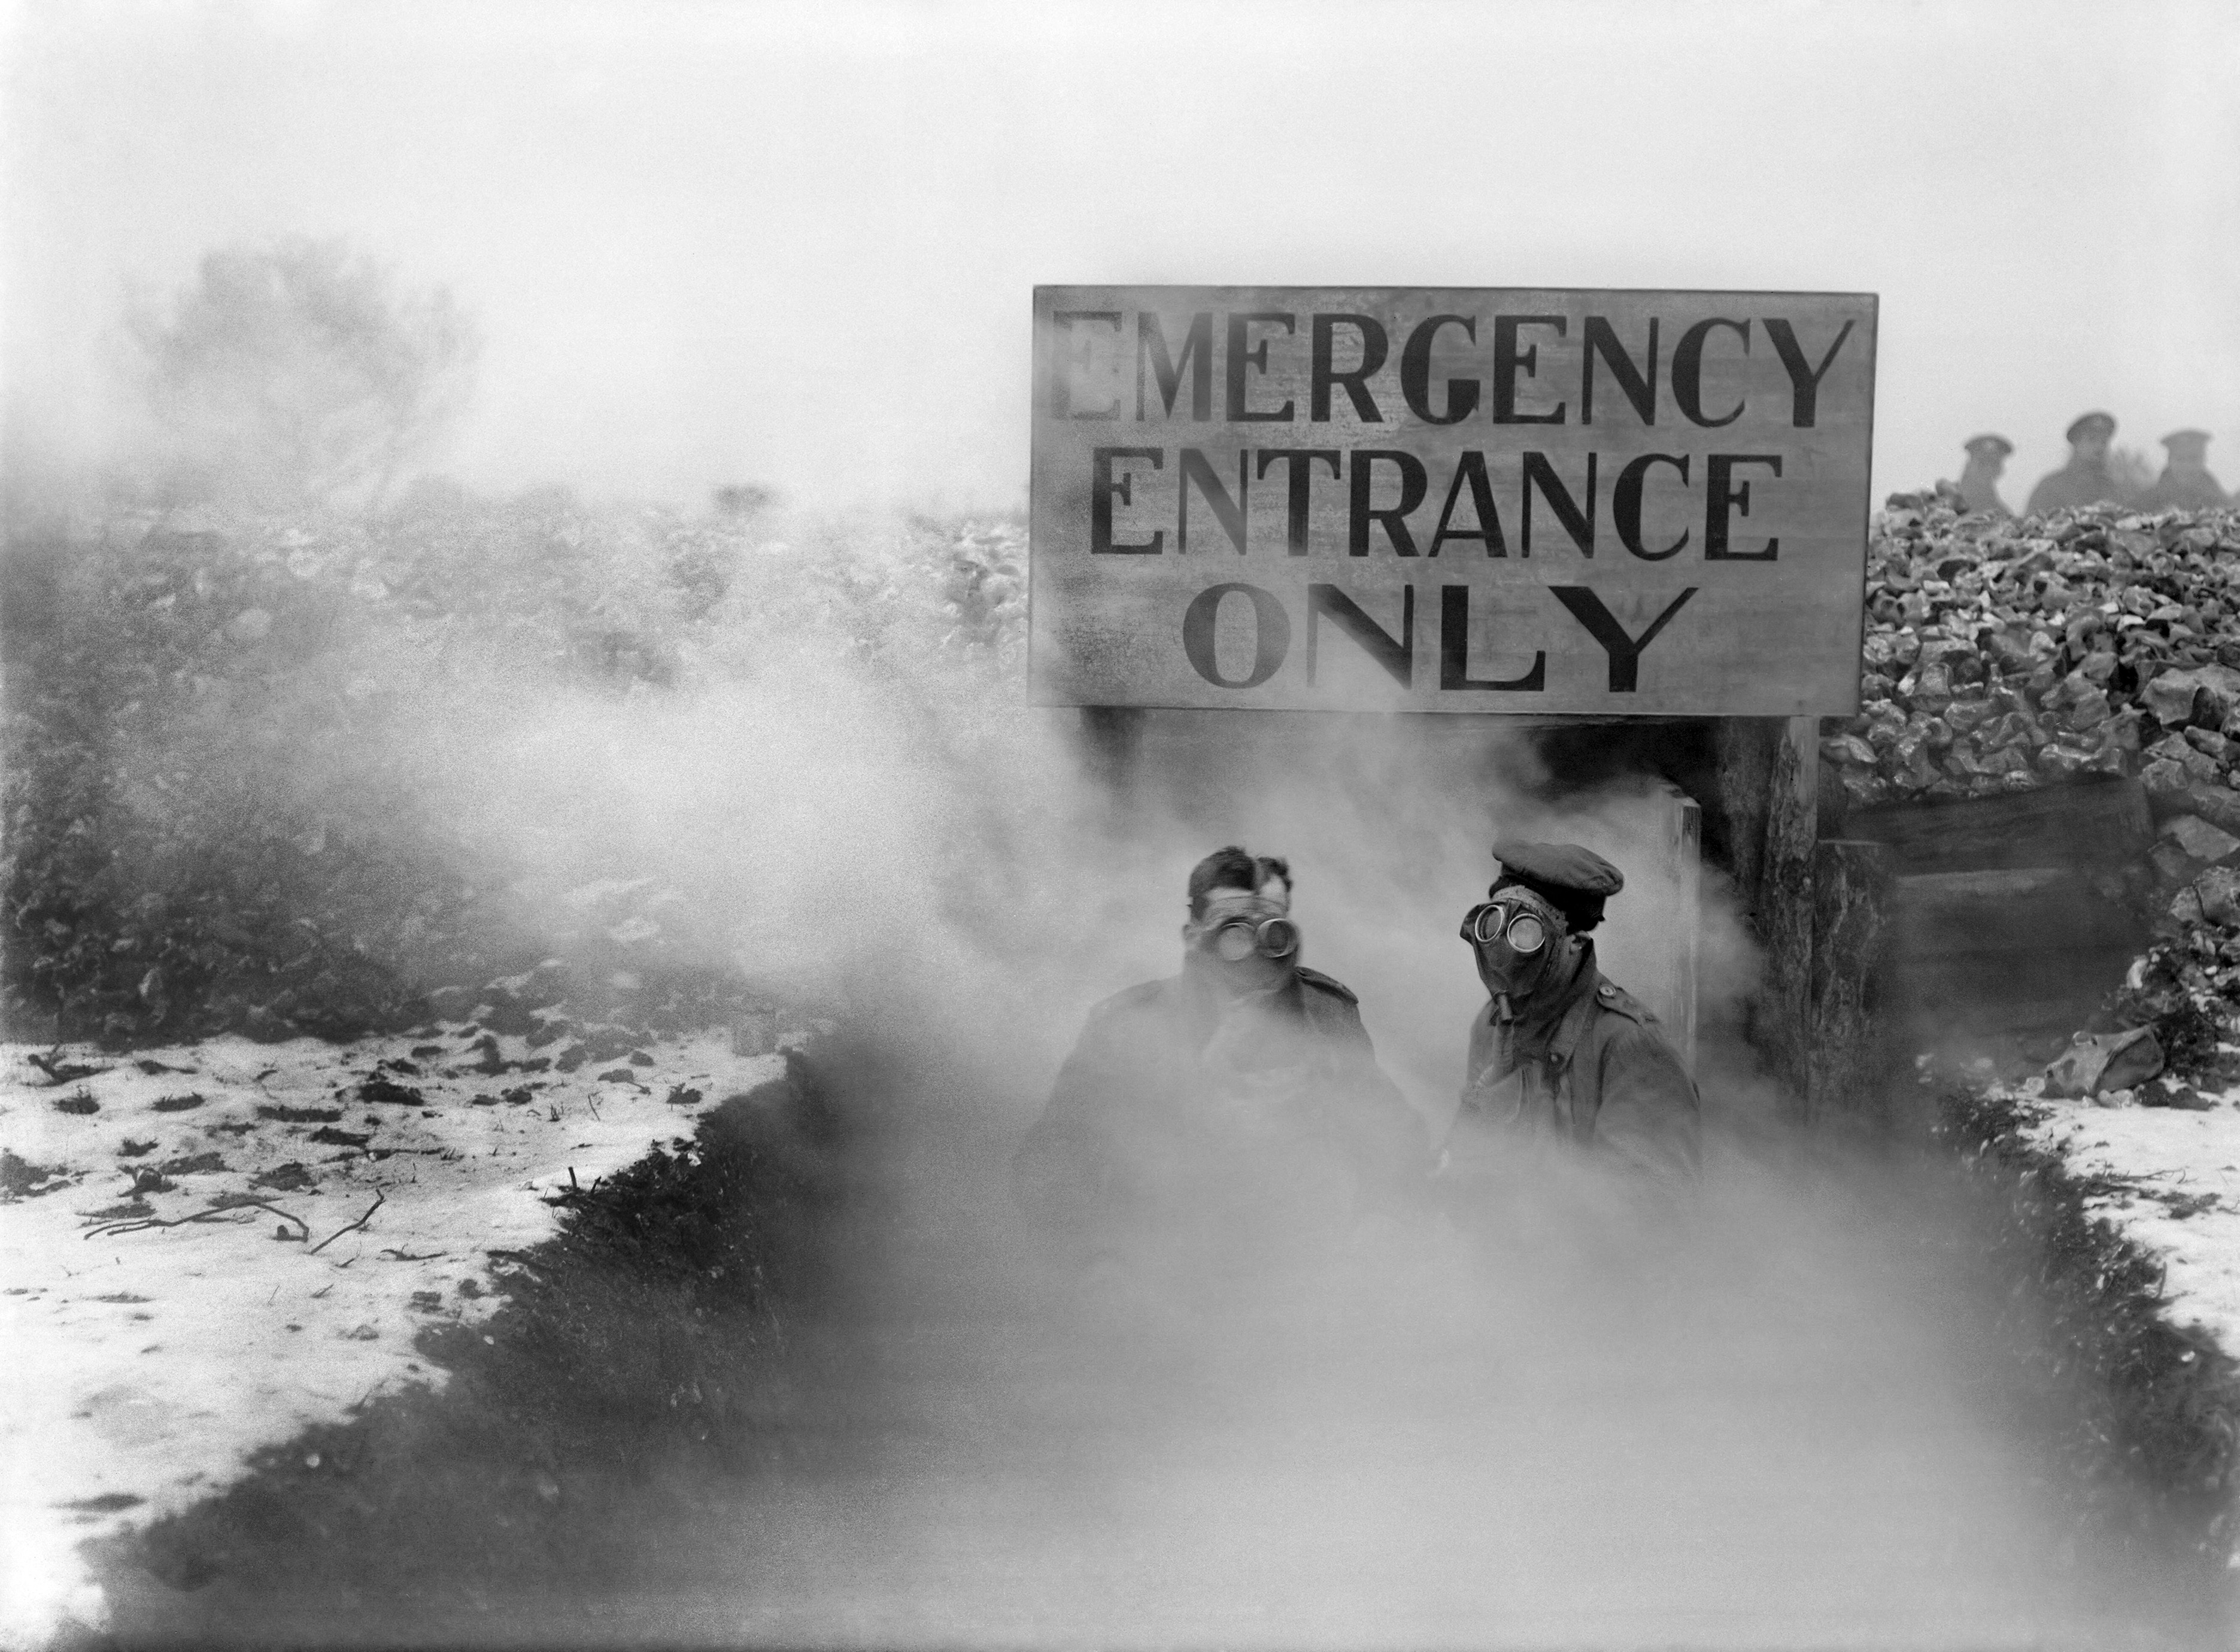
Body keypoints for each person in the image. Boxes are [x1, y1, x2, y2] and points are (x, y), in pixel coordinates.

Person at [1013, 846, 1426, 1284]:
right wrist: (1098, 1259)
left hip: (1307, 1278)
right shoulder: (1130, 1027)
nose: (1253, 951)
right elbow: (1050, 1163)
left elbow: (1394, 1140)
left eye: (1272, 929)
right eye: (1233, 930)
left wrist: (1383, 1222)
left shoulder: (1326, 1017)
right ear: (1193, 935)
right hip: (1166, 1280)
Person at [1440, 842, 1699, 1207]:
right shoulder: (1491, 1023)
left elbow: (1654, 1214)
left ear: (1575, 941)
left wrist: (1515, 1211)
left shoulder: (1631, 1044)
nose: (1503, 951)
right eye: (1494, 925)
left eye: (1525, 933)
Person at [2025, 411, 2129, 516]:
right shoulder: (2051, 487)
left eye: (2104, 442)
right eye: (2091, 439)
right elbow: (2031, 525)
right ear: (2076, 445)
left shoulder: (2112, 489)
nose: (2099, 447)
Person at [2140, 430, 2230, 512]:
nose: (2187, 466)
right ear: (2169, 461)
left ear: (2204, 459)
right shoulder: (2145, 503)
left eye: (2193, 459)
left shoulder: (2223, 505)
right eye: (2180, 459)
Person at [1950, 433, 2014, 517]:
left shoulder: (2003, 513)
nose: (1989, 469)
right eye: (1982, 463)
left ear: (2000, 470)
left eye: (1994, 464)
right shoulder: (1946, 506)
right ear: (1969, 465)